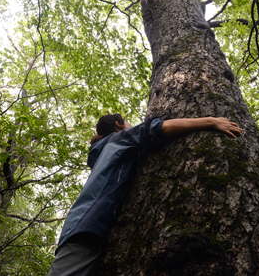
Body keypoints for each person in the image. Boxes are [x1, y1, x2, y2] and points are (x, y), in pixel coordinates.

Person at [47, 114, 242, 276]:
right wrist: (210, 121)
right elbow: (157, 129)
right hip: (84, 230)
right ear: (118, 125)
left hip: (87, 230)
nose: (131, 125)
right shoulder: (116, 140)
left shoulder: (104, 154)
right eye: (128, 123)